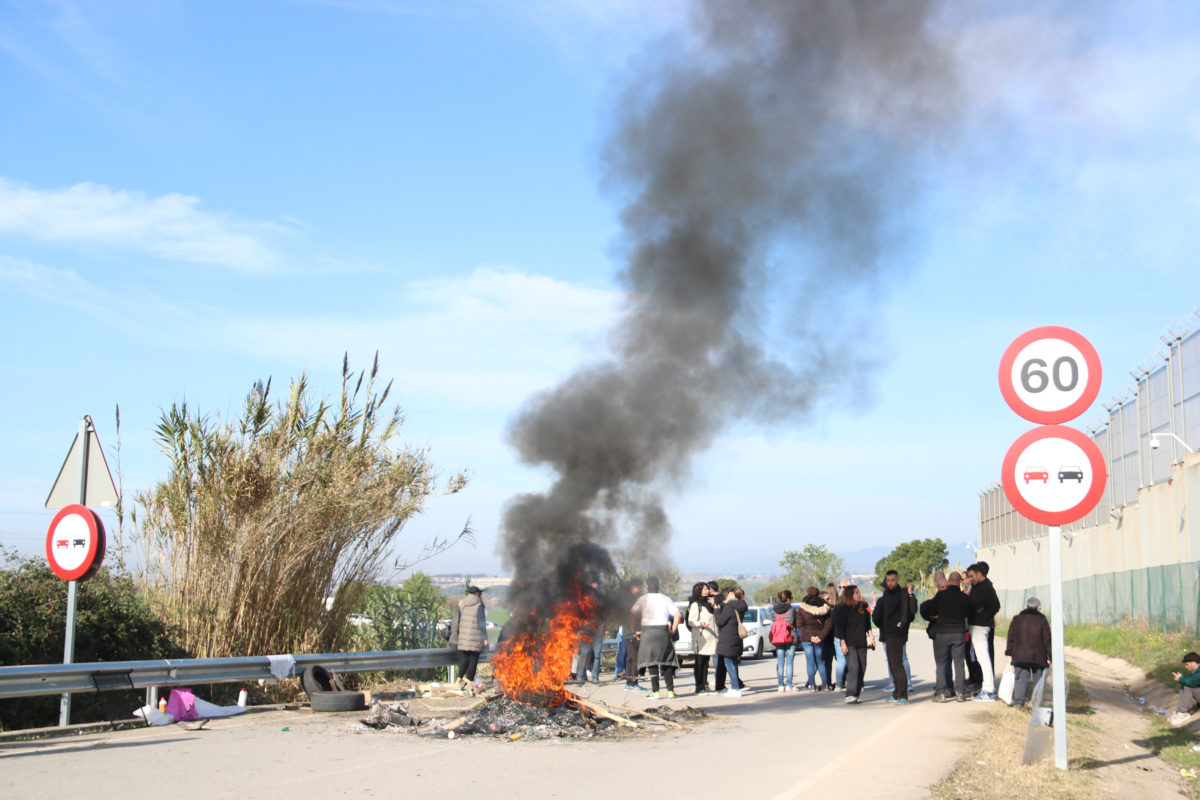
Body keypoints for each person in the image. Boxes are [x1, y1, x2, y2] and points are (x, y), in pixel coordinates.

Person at [630, 575, 682, 699]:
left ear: (647, 586)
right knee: (667, 661)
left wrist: (635, 630)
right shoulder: (665, 598)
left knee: (651, 662)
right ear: (658, 585)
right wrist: (673, 629)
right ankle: (670, 691)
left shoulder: (642, 599)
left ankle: (656, 691)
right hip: (663, 632)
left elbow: (632, 614)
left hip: (648, 632)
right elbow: (678, 614)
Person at [922, 571, 970, 702]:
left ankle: (941, 693)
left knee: (941, 664)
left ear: (949, 581)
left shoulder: (941, 595)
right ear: (960, 582)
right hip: (959, 633)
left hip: (942, 633)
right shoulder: (964, 598)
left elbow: (932, 610)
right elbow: (968, 613)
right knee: (959, 663)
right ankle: (960, 692)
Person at [872, 570, 917, 703]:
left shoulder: (903, 596)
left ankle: (902, 694)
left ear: (897, 580)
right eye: (888, 580)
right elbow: (876, 618)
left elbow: (912, 612)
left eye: (892, 580)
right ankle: (897, 692)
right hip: (887, 634)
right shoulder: (883, 599)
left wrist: (910, 594)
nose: (890, 583)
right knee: (892, 664)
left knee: (897, 664)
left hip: (897, 634)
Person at [1005, 596, 1051, 709]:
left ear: (1026, 606)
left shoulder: (1017, 619)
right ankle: (1038, 704)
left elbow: (1010, 637)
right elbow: (1047, 639)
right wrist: (1050, 656)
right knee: (1039, 681)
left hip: (1020, 656)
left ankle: (1019, 704)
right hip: (1038, 657)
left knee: (1021, 679)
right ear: (1038, 608)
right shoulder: (1042, 620)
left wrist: (1010, 652)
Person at [965, 562, 1001, 701]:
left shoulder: (985, 588)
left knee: (983, 657)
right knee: (982, 657)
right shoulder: (981, 586)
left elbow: (973, 605)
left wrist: (983, 613)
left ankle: (988, 690)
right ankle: (987, 688)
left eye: (972, 576)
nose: (970, 579)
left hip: (980, 626)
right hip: (980, 624)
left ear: (980, 574)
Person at [834, 585, 875, 703]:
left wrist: (871, 638)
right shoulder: (843, 609)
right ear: (850, 595)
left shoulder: (861, 607)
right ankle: (850, 694)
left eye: (859, 592)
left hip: (861, 642)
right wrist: (843, 643)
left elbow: (868, 624)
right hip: (849, 643)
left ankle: (856, 694)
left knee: (862, 668)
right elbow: (840, 628)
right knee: (854, 668)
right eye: (856, 593)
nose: (859, 594)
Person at [447, 585, 488, 687]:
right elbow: (481, 622)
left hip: (463, 637)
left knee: (465, 658)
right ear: (477, 594)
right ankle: (469, 680)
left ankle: (459, 678)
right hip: (475, 636)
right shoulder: (479, 604)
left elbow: (459, 620)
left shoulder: (462, 603)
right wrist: (485, 638)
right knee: (473, 659)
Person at [796, 586, 834, 690]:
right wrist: (820, 636)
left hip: (807, 639)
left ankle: (812, 684)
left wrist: (810, 637)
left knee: (810, 662)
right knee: (820, 661)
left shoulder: (802, 608)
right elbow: (828, 624)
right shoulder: (825, 607)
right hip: (820, 638)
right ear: (818, 594)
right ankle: (825, 684)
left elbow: (800, 625)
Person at [715, 585, 748, 697]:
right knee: (733, 663)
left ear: (732, 594)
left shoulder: (729, 607)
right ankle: (736, 687)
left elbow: (720, 621)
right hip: (736, 638)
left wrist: (717, 611)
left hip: (727, 638)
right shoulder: (741, 606)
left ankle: (735, 688)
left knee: (729, 664)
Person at [687, 581, 718, 693]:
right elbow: (691, 621)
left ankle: (705, 684)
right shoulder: (696, 605)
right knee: (699, 662)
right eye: (705, 589)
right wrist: (701, 623)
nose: (707, 591)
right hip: (700, 637)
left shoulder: (710, 603)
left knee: (706, 662)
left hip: (710, 636)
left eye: (707, 589)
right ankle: (698, 685)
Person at [574, 581, 605, 684]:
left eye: (596, 588)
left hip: (598, 630)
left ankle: (595, 677)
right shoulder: (584, 600)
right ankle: (580, 676)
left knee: (596, 655)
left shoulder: (602, 600)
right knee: (584, 653)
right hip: (586, 630)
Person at [771, 589, 797, 692]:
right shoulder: (791, 610)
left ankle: (780, 685)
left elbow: (774, 623)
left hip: (778, 638)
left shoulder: (774, 611)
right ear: (788, 599)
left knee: (780, 662)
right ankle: (789, 684)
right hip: (790, 637)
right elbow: (794, 623)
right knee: (789, 662)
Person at [622, 578, 645, 691]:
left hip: (632, 633)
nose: (640, 589)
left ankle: (629, 682)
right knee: (635, 658)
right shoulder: (630, 601)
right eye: (638, 587)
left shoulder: (635, 599)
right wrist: (635, 631)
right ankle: (633, 682)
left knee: (631, 659)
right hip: (631, 634)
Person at [708, 580, 729, 692]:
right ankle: (721, 680)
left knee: (716, 658)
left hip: (714, 631)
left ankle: (718, 680)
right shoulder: (722, 599)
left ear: (711, 590)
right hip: (723, 631)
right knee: (721, 658)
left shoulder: (713, 601)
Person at [1170, 652, 1200, 726]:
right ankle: (1180, 712)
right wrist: (1182, 678)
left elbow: (1192, 682)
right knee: (1187, 682)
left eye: (1187, 664)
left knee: (1187, 685)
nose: (1185, 667)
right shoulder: (1197, 671)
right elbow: (1192, 679)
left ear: (1193, 663)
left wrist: (1180, 679)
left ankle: (1182, 713)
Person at [831, 579, 851, 689]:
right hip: (840, 635)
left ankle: (849, 682)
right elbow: (833, 619)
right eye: (841, 587)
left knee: (851, 661)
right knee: (841, 661)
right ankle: (839, 683)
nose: (842, 589)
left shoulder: (851, 602)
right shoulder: (839, 602)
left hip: (850, 635)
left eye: (844, 587)